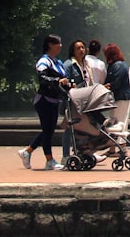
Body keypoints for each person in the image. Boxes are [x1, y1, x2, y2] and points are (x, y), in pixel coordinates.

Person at [18, 34, 70, 170]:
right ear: (50, 45)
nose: (60, 45)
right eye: (57, 43)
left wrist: (69, 85)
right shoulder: (44, 61)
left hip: (55, 100)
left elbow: (63, 81)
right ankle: (49, 160)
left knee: (49, 130)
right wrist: (57, 81)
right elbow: (42, 78)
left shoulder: (58, 62)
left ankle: (27, 151)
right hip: (44, 100)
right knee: (48, 129)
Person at [62, 38, 93, 160]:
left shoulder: (86, 64)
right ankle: (65, 155)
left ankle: (82, 152)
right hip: (72, 100)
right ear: (72, 51)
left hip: (84, 100)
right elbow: (64, 82)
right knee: (70, 127)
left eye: (82, 47)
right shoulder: (69, 65)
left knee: (83, 126)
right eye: (78, 48)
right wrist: (71, 85)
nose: (81, 50)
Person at [103, 43, 130, 130]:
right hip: (117, 98)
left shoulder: (119, 65)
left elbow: (116, 82)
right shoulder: (115, 65)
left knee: (119, 122)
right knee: (117, 121)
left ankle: (120, 141)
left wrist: (108, 86)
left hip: (121, 98)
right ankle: (118, 141)